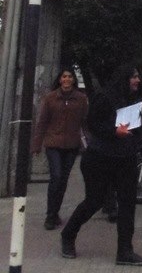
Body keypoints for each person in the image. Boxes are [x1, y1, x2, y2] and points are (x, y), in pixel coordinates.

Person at [61, 65, 142, 266]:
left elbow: (138, 126)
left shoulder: (135, 99)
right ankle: (68, 234)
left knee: (127, 204)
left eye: (138, 77)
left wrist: (139, 134)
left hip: (125, 158)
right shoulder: (105, 97)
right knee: (94, 201)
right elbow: (93, 124)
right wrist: (114, 131)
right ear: (124, 78)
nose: (137, 80)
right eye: (134, 77)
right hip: (99, 158)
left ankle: (125, 251)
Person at [31, 67, 88, 230]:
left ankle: (55, 213)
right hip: (53, 144)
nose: (67, 79)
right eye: (64, 77)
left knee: (63, 181)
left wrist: (88, 142)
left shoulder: (81, 99)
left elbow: (85, 122)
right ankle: (50, 215)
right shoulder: (50, 98)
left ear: (73, 80)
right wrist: (36, 144)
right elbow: (42, 122)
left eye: (69, 77)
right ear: (60, 80)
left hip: (72, 145)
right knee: (56, 177)